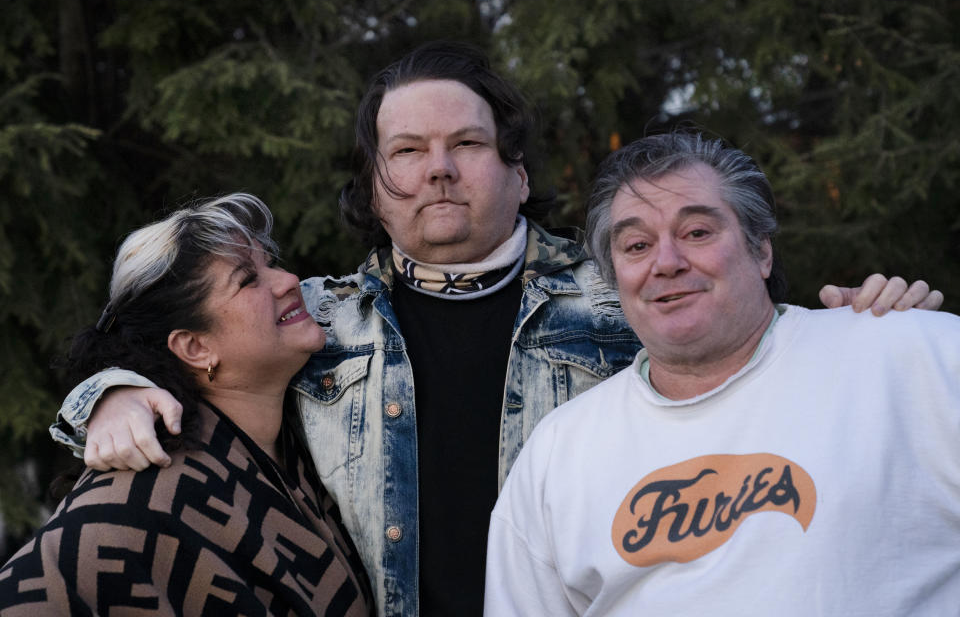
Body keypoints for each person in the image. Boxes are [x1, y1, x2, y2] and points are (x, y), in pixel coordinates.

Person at [50, 43, 942, 617]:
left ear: (517, 172)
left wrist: (878, 323)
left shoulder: (629, 284)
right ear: (372, 188)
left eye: (467, 145)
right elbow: (166, 334)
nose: (438, 170)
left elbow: (759, 333)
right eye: (406, 152)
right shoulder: (314, 317)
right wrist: (110, 393)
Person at [483, 132, 960, 616]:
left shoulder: (906, 356)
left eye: (697, 233)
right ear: (614, 280)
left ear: (761, 252)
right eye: (637, 245)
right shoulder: (558, 454)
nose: (665, 263)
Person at [1, 194, 373, 615]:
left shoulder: (309, 427)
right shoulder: (141, 490)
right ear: (196, 347)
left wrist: (104, 391)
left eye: (270, 263)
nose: (287, 280)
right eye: (248, 280)